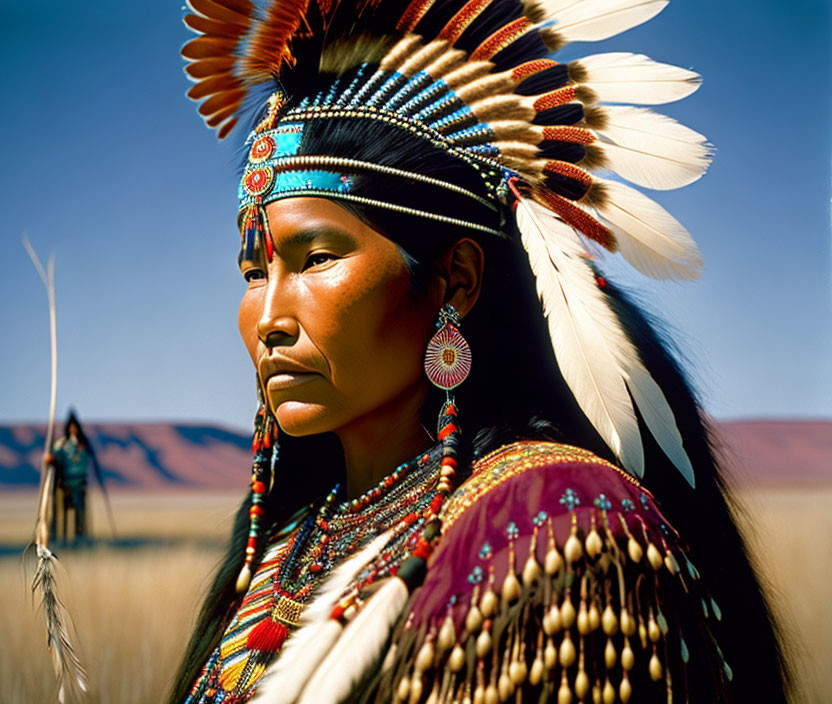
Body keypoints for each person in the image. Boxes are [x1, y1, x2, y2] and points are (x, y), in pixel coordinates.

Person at [169, 1, 790, 702]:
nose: (269, 317)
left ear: (455, 281)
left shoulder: (555, 528)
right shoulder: (288, 546)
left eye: (316, 258)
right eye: (255, 273)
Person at [47, 410, 103, 543]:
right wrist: (50, 460)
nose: (73, 430)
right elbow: (55, 459)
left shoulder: (84, 444)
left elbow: (89, 460)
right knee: (60, 514)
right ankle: (59, 538)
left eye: (75, 427)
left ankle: (80, 538)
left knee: (80, 513)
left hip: (79, 484)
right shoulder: (61, 444)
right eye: (71, 428)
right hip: (63, 485)